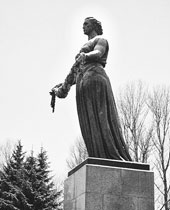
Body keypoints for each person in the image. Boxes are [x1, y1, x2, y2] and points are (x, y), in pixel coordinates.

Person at [51, 17, 132, 161]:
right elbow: (71, 77)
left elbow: (98, 53)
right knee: (88, 122)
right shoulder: (81, 59)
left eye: (86, 24)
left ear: (94, 26)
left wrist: (85, 56)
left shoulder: (101, 40)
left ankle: (111, 155)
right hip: (83, 84)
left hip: (96, 78)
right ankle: (97, 155)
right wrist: (59, 90)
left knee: (101, 118)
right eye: (83, 24)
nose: (83, 26)